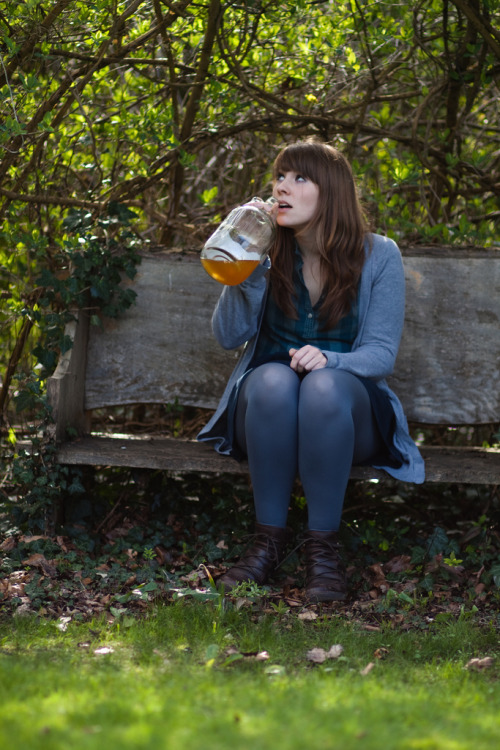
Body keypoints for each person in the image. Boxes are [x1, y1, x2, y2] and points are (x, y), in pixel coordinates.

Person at [197, 140, 424, 602]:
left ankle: (323, 552)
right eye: (280, 176)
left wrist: (332, 359)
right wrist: (244, 260)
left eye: (299, 178)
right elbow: (227, 335)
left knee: (322, 387)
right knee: (274, 377)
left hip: (346, 415)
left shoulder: (380, 255)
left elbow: (382, 354)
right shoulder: (265, 251)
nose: (282, 187)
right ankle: (267, 543)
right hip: (268, 411)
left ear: (331, 193)